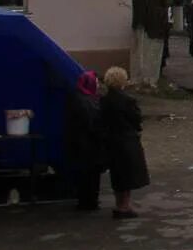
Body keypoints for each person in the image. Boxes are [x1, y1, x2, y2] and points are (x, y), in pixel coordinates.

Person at [100, 66, 150, 219]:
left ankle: (118, 204)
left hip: (111, 140)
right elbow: (136, 119)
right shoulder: (128, 100)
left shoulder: (104, 100)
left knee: (117, 174)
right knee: (128, 174)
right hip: (127, 140)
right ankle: (125, 206)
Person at [64, 70, 106, 211]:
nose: (98, 85)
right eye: (96, 82)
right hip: (89, 145)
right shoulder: (87, 102)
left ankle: (85, 201)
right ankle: (89, 202)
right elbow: (92, 124)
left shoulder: (78, 98)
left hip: (81, 144)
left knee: (85, 175)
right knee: (91, 175)